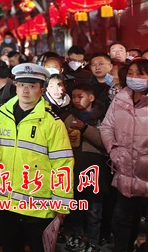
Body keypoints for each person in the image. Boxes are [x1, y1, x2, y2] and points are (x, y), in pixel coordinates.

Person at [0, 63, 74, 252]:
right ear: (15, 86)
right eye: (22, 85)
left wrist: (62, 202)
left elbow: (62, 163)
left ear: (42, 90)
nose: (25, 90)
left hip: (38, 205)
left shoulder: (52, 123)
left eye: (32, 86)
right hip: (6, 201)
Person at [100, 59, 148, 252]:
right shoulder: (121, 98)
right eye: (131, 73)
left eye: (140, 74)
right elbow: (106, 127)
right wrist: (114, 150)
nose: (134, 78)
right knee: (122, 222)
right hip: (125, 174)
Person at [62, 83, 109, 252]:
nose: (76, 100)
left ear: (91, 97)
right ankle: (76, 236)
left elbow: (105, 141)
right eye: (74, 96)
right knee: (76, 206)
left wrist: (85, 128)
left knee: (95, 209)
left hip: (96, 169)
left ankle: (93, 241)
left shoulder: (103, 117)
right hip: (75, 168)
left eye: (80, 96)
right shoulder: (67, 117)